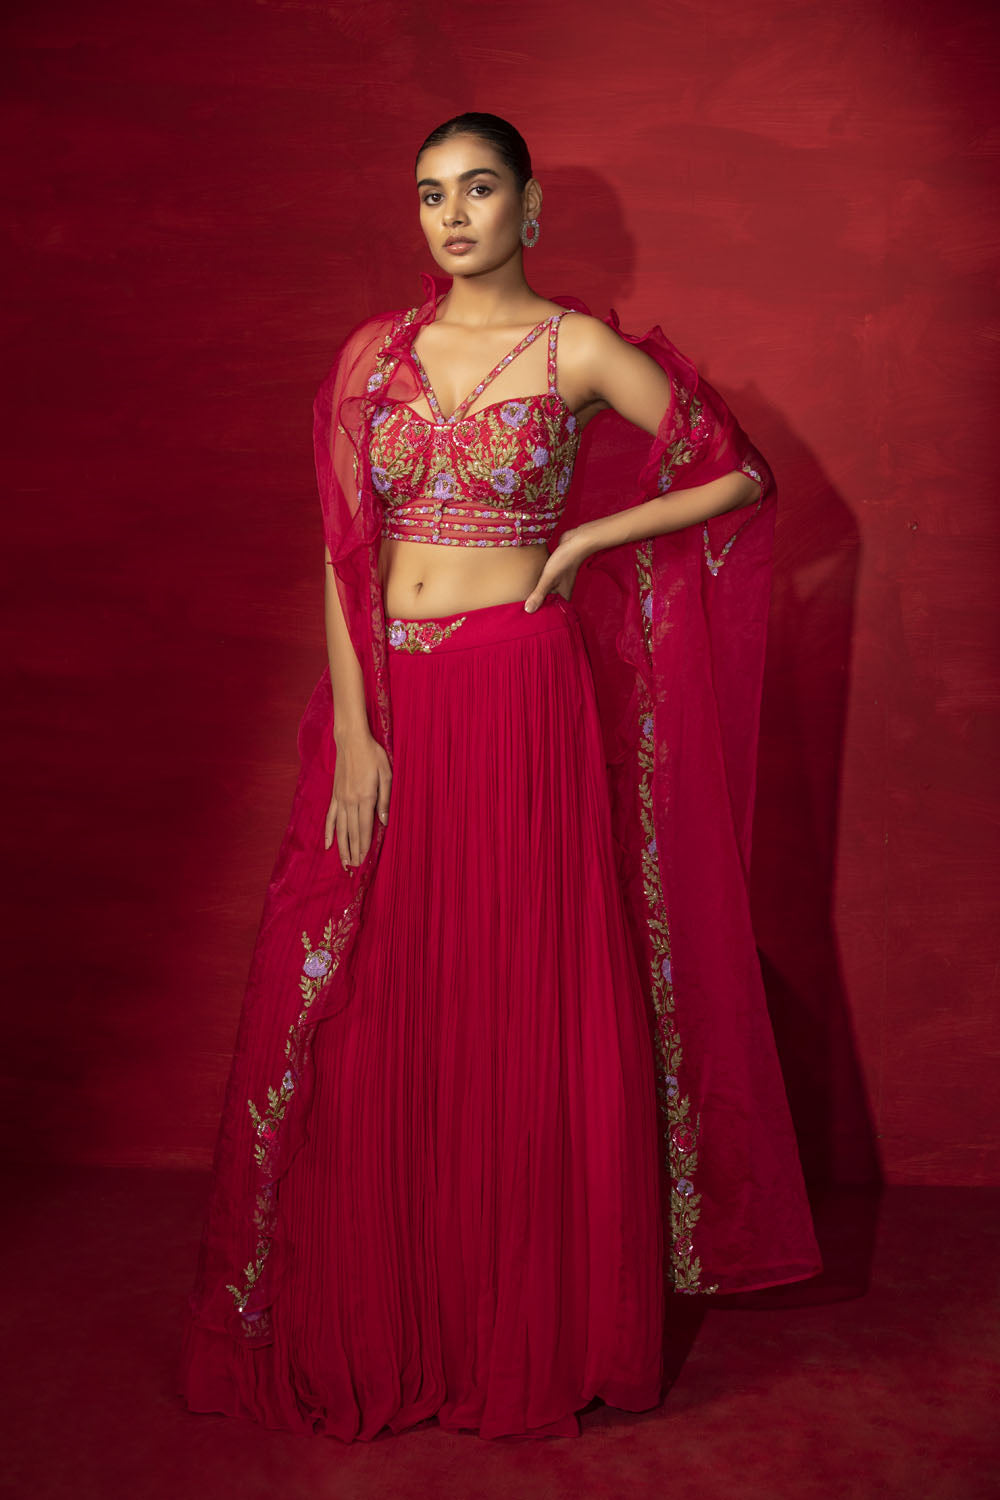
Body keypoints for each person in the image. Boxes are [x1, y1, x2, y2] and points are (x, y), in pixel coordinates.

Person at [178, 111, 822, 1444]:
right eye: (432, 194)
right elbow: (340, 553)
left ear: (530, 208)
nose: (454, 215)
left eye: (479, 189)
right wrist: (361, 732)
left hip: (521, 693)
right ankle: (390, 1312)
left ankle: (521, 1326)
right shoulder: (373, 354)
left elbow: (739, 478)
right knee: (376, 989)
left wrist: (588, 539)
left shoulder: (576, 348)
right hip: (394, 700)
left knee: (512, 981)